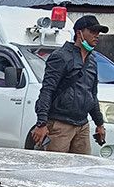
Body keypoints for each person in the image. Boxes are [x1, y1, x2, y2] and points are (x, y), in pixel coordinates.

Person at [32, 15, 107, 154]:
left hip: (82, 125)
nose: (96, 36)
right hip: (60, 124)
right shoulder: (61, 56)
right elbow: (47, 90)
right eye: (92, 31)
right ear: (79, 33)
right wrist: (41, 123)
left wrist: (99, 124)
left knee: (81, 169)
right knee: (54, 168)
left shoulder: (92, 61)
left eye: (98, 33)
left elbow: (92, 94)